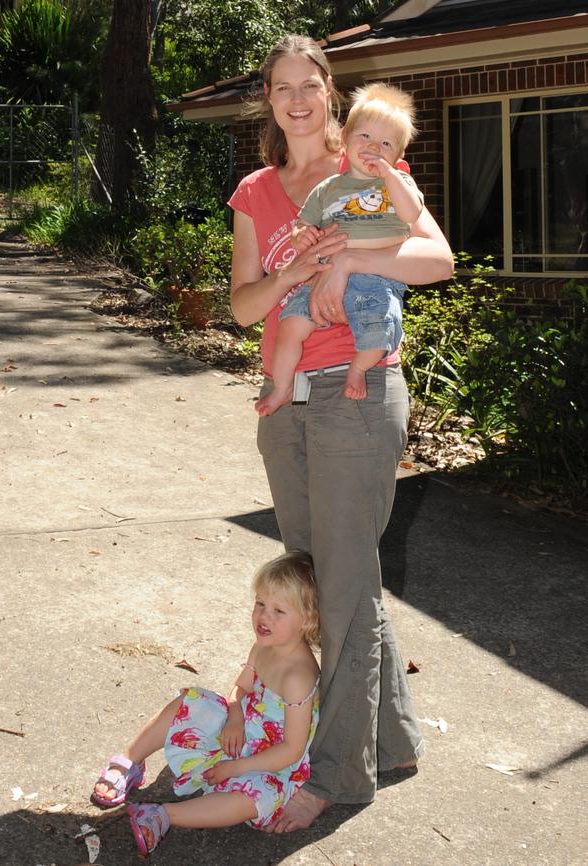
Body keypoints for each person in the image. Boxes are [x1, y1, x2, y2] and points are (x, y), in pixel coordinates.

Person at [228, 35, 454, 832]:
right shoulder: (256, 192)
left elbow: (437, 258)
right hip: (284, 402)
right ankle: (391, 740)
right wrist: (293, 274)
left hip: (357, 397)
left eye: (309, 85)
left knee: (349, 590)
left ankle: (335, 775)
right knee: (326, 581)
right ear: (270, 99)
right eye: (282, 88)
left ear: (330, 90)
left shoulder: (370, 163)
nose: (297, 100)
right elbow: (244, 308)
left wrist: (350, 262)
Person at [91, 551, 321, 856]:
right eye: (260, 604)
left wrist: (236, 768)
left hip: (272, 763)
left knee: (256, 798)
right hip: (242, 732)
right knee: (190, 701)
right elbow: (239, 690)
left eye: (279, 611)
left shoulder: (298, 676)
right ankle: (130, 760)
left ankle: (164, 815)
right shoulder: (264, 646)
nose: (264, 617)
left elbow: (291, 750)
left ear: (307, 620)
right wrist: (235, 715)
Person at [257, 82, 423, 416]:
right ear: (345, 136)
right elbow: (303, 223)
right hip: (324, 274)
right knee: (289, 326)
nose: (373, 148)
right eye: (365, 137)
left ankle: (358, 370)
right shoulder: (328, 188)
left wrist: (390, 176)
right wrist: (301, 234)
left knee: (379, 330)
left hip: (376, 279)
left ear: (398, 156)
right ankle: (282, 387)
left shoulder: (398, 183)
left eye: (386, 144)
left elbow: (411, 214)